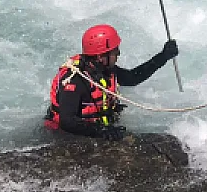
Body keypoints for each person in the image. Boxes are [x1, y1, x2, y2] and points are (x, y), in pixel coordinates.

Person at [45, 24, 179, 140]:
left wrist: (163, 56)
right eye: (115, 51)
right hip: (66, 135)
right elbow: (67, 122)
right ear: (100, 57)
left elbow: (133, 78)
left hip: (95, 129)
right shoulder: (75, 80)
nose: (119, 53)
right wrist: (101, 131)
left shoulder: (104, 70)